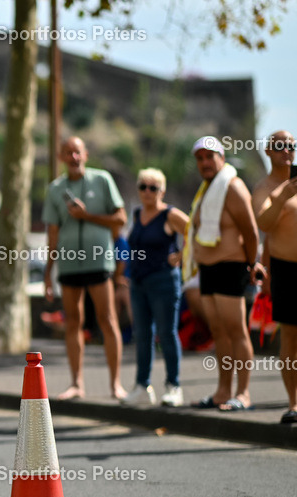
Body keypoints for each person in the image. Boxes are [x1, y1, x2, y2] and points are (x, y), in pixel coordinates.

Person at [42, 136, 129, 400]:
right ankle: (76, 384)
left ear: (86, 154)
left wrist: (87, 215)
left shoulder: (102, 179)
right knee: (73, 323)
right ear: (61, 157)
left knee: (108, 320)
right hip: (69, 265)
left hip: (99, 262)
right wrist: (48, 273)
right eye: (68, 152)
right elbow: (52, 233)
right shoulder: (55, 189)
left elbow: (120, 219)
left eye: (77, 152)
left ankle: (115, 384)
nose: (73, 157)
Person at [182, 136, 264, 411]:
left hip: (231, 267)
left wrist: (252, 265)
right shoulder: (206, 190)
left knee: (236, 330)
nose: (205, 162)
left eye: (210, 156)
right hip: (208, 270)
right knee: (218, 332)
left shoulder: (233, 186)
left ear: (222, 158)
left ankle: (243, 393)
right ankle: (222, 391)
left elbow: (250, 232)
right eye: (200, 158)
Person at [122, 168, 190, 407]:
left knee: (167, 333)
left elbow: (193, 230)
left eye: (153, 187)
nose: (147, 192)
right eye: (143, 187)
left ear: (162, 191)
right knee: (142, 335)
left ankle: (174, 386)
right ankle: (142, 386)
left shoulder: (169, 214)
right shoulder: (137, 213)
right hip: (138, 282)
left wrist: (181, 256)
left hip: (163, 280)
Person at [252, 130, 297, 423]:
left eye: (291, 146)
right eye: (280, 146)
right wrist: (281, 198)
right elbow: (264, 224)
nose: (287, 150)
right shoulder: (265, 188)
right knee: (290, 337)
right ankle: (294, 403)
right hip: (286, 269)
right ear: (268, 151)